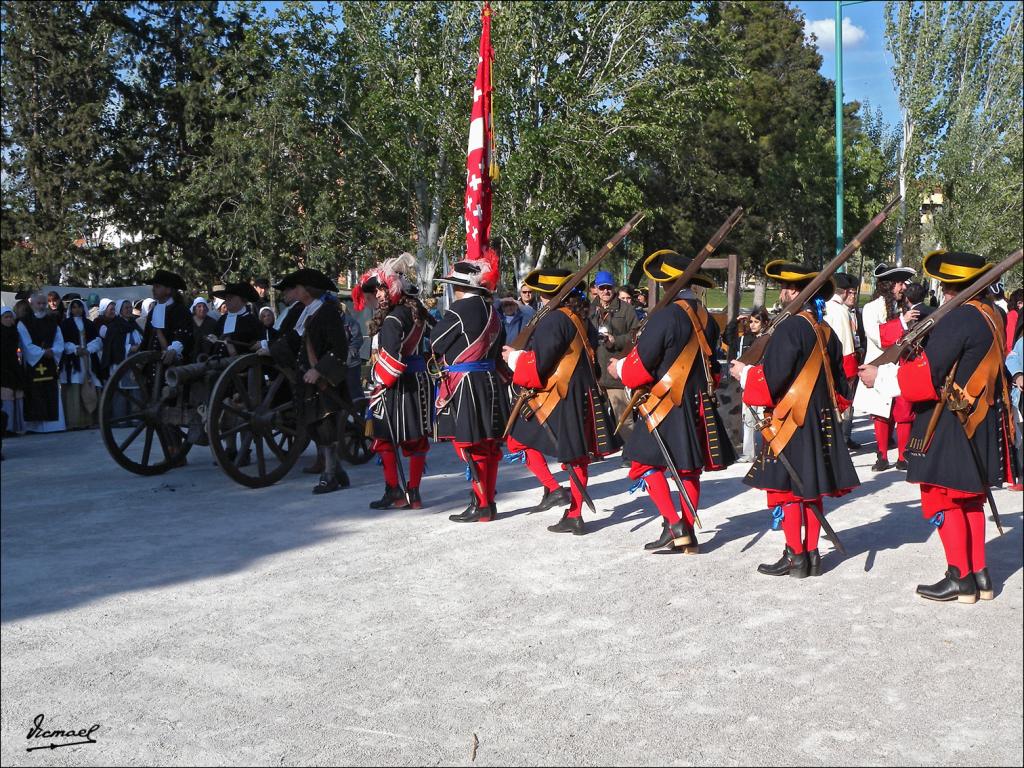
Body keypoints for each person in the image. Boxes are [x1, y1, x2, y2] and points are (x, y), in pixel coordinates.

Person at [859, 251, 1018, 603]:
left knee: (943, 499)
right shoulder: (990, 313)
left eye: (946, 286)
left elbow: (927, 375)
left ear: (951, 287)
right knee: (971, 500)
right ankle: (980, 575)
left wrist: (879, 378)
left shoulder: (959, 317)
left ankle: (959, 576)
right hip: (976, 418)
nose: (944, 292)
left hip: (948, 421)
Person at [729, 261, 860, 579]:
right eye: (785, 287)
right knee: (811, 489)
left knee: (789, 492)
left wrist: (744, 373)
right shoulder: (825, 331)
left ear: (803, 293)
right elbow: (842, 386)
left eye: (790, 288)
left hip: (791, 421)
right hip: (820, 420)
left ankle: (795, 556)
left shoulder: (790, 328)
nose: (784, 293)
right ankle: (812, 555)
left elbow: (771, 381)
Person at [607, 251, 736, 552]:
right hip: (698, 402)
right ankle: (687, 528)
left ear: (667, 285)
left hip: (666, 402)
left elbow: (641, 366)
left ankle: (674, 523)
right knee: (689, 469)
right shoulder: (706, 316)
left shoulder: (665, 316)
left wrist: (619, 368)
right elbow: (712, 368)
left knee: (642, 463)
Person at [502, 268, 621, 535]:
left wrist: (513, 358)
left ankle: (561, 497)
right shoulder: (577, 316)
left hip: (559, 395)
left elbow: (539, 364)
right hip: (578, 392)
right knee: (577, 456)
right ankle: (572, 508)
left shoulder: (554, 320)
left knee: (518, 440)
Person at [431, 254, 511, 522]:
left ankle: (481, 504)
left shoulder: (458, 310)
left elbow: (436, 342)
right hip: (490, 381)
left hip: (466, 384)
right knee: (488, 445)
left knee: (469, 446)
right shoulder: (493, 311)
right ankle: (488, 502)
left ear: (460, 287)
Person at [352, 253, 434, 509]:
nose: (376, 295)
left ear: (393, 288)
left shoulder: (393, 319)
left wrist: (377, 382)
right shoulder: (417, 314)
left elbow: (391, 361)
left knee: (385, 438)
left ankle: (395, 491)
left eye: (380, 290)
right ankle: (414, 492)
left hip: (397, 384)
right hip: (420, 381)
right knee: (417, 439)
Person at [269, 268, 351, 494]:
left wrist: (319, 371)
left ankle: (330, 475)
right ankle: (338, 471)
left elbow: (339, 349)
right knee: (314, 426)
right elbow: (295, 342)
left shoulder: (328, 313)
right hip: (305, 381)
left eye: (297, 287)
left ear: (307, 290)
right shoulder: (306, 312)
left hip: (323, 381)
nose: (294, 291)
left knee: (326, 427)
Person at [853, 262, 916, 470]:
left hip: (902, 367)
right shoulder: (871, 309)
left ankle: (903, 455)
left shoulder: (904, 308)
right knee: (881, 413)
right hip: (879, 368)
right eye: (899, 283)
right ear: (888, 285)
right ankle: (882, 455)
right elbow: (879, 337)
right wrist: (903, 322)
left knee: (905, 412)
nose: (903, 287)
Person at [590, 269, 641, 442]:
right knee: (592, 416)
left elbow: (636, 336)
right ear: (596, 288)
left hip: (615, 371)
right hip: (594, 371)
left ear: (614, 288)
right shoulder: (589, 310)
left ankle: (635, 453)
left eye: (608, 287)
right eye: (602, 287)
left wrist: (616, 340)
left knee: (623, 417)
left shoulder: (626, 309)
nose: (605, 291)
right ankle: (595, 450)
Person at [724, 306, 770, 461]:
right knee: (748, 417)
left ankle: (769, 449)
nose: (753, 325)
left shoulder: (768, 338)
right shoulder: (746, 338)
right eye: (751, 321)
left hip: (763, 380)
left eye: (756, 322)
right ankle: (749, 452)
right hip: (747, 381)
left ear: (764, 323)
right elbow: (728, 339)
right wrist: (734, 323)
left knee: (764, 417)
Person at [823, 273, 861, 450]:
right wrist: (851, 371)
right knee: (844, 404)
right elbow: (846, 345)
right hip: (843, 365)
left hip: (826, 363)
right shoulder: (840, 311)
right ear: (845, 292)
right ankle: (842, 439)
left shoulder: (825, 307)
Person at [18, 292, 65, 433]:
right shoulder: (23, 322)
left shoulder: (52, 321)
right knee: (35, 393)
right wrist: (42, 352)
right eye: (39, 303)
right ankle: (35, 426)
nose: (42, 306)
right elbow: (25, 344)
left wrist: (54, 351)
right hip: (33, 364)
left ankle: (53, 425)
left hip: (49, 362)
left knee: (50, 391)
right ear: (31, 304)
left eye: (44, 303)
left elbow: (59, 340)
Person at [58, 298, 103, 429]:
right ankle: (75, 421)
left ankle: (91, 420)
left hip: (89, 359)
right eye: (74, 307)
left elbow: (97, 340)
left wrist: (88, 349)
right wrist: (75, 349)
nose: (76, 309)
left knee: (91, 384)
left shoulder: (89, 323)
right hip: (73, 361)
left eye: (79, 307)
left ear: (83, 308)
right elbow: (62, 341)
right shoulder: (66, 324)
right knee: (75, 386)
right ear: (70, 310)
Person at [99, 299, 143, 420]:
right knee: (120, 392)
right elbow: (113, 347)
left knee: (136, 391)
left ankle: (136, 417)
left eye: (130, 307)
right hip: (120, 364)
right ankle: (121, 418)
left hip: (135, 364)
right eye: (126, 308)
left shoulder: (134, 324)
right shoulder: (114, 326)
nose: (129, 310)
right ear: (120, 311)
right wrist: (129, 348)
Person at [140, 270, 193, 365]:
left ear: (168, 290)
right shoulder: (153, 311)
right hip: (152, 367)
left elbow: (183, 336)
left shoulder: (180, 310)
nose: (153, 289)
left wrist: (173, 350)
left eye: (157, 286)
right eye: (154, 286)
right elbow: (147, 338)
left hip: (172, 368)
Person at [206, 283, 261, 358]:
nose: (226, 301)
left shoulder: (252, 321)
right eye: (226, 297)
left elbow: (255, 349)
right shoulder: (222, 319)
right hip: (217, 364)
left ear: (242, 299)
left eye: (230, 297)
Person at [1, 306, 27, 435]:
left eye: (10, 317)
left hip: (15, 367)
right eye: (6, 317)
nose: (9, 320)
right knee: (7, 397)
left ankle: (19, 426)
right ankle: (7, 428)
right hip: (3, 369)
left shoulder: (16, 332)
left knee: (18, 396)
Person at [339, 301, 365, 405]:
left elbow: (357, 339)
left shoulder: (349, 321)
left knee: (355, 390)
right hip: (337, 363)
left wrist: (350, 354)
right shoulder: (330, 320)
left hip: (352, 363)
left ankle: (361, 415)